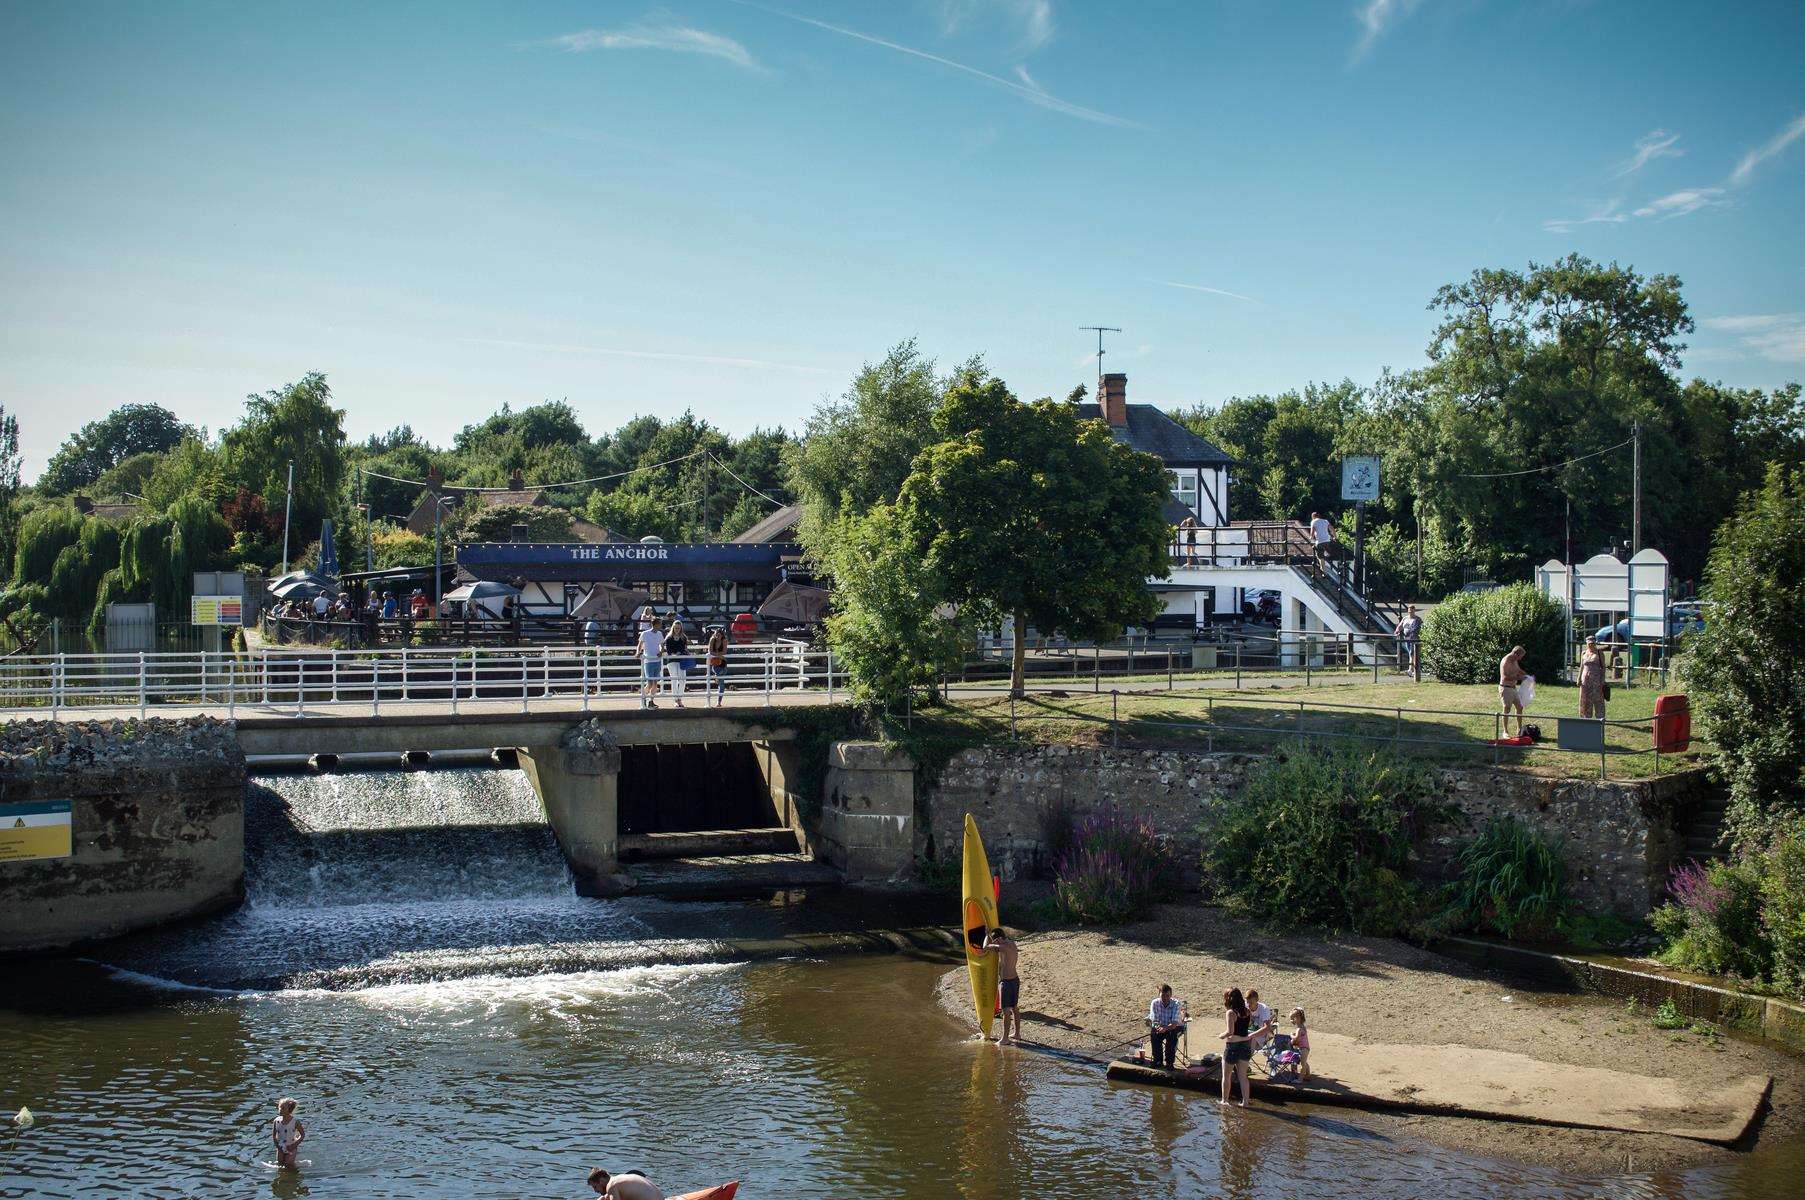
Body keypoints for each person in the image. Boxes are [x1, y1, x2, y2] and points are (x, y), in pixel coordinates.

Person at [982, 928, 1021, 1045]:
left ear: (999, 939)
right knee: (1014, 1007)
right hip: (1015, 980)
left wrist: (986, 935)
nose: (995, 943)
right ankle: (1017, 1034)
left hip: (1007, 982)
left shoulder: (1002, 948)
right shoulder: (1012, 944)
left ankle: (1005, 1039)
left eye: (996, 941)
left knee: (1006, 1011)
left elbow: (985, 947)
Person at [1219, 987, 1254, 1106]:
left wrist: (1221, 1036)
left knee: (1226, 1075)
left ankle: (1225, 1101)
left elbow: (1230, 1031)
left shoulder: (1231, 1012)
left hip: (1232, 1047)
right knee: (1243, 1076)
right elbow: (1246, 1027)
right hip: (1245, 1046)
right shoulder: (1247, 1011)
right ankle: (1245, 1102)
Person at [1148, 984, 1186, 1069]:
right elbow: (1154, 1020)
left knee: (1172, 1036)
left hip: (1174, 1027)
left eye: (1167, 995)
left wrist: (1165, 1028)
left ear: (1171, 995)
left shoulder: (1176, 1004)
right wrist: (1158, 1027)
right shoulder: (1155, 1003)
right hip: (1161, 1026)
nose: (1165, 998)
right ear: (1159, 995)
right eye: (1163, 996)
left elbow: (1174, 1023)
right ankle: (1158, 1060)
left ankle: (1169, 1062)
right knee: (1154, 1034)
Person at [1499, 645, 1528, 736]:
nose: (1520, 659)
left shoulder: (1514, 660)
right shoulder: (1505, 661)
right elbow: (1505, 677)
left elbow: (1518, 670)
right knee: (1506, 709)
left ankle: (1519, 729)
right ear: (1515, 653)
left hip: (1514, 688)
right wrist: (1519, 678)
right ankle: (1505, 731)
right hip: (1505, 688)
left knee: (1520, 707)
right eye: (1520, 656)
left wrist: (1526, 675)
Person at [636, 616, 665, 709]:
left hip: (657, 660)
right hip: (648, 660)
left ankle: (651, 701)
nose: (661, 625)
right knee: (650, 683)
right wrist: (638, 652)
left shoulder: (659, 634)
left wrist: (661, 651)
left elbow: (662, 645)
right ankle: (643, 697)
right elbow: (640, 644)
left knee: (655, 683)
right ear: (655, 624)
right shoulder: (645, 633)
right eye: (659, 624)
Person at [270, 1097, 305, 1170]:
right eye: (280, 1107)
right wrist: (277, 1145)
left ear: (289, 1110)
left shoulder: (295, 1121)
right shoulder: (276, 1121)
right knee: (280, 1165)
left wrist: (294, 1145)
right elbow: (274, 1135)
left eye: (283, 1108)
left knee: (289, 1165)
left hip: (291, 1146)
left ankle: (293, 1174)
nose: (280, 1110)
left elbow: (302, 1135)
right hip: (280, 1147)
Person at [663, 618, 691, 707]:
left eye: (678, 628)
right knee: (674, 679)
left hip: (681, 660)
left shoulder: (683, 638)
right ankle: (675, 699)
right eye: (675, 628)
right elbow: (668, 649)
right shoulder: (669, 638)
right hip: (671, 660)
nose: (677, 630)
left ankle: (680, 698)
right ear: (673, 628)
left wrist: (682, 653)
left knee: (683, 679)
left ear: (681, 628)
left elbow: (684, 648)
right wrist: (674, 654)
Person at [587, 1168, 663, 1200]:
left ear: (601, 1180)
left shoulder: (611, 1185)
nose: (595, 1190)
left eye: (595, 1186)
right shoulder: (619, 1179)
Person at [1579, 636, 1606, 719]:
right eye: (1589, 643)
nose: (1591, 645)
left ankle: (1600, 716)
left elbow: (1603, 667)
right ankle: (1586, 716)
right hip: (1585, 679)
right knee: (1586, 698)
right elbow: (1581, 666)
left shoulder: (1599, 652)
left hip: (1596, 679)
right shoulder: (1584, 653)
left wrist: (1602, 679)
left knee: (1598, 698)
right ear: (1586, 644)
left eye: (1592, 643)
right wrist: (1579, 678)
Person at [1394, 605, 1422, 676]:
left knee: (1411, 653)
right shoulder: (1405, 618)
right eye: (1409, 611)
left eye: (1412, 611)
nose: (1410, 612)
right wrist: (1397, 631)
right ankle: (1415, 669)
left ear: (1414, 611)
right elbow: (1400, 626)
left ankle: (1411, 669)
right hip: (1406, 639)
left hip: (1414, 639)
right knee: (1411, 654)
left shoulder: (1417, 619)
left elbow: (1420, 628)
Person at [704, 625, 729, 707]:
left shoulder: (724, 640)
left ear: (722, 635)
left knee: (721, 684)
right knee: (717, 673)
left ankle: (719, 701)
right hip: (715, 662)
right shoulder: (712, 640)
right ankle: (717, 677)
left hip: (723, 663)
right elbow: (710, 651)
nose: (717, 636)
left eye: (719, 635)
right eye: (716, 634)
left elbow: (725, 651)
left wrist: (718, 655)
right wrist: (719, 655)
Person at [1288, 1007, 1311, 1082]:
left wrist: (1291, 1035)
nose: (1292, 1021)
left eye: (1293, 1018)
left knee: (1303, 1064)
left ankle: (1300, 1079)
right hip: (1305, 1048)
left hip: (1303, 1048)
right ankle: (1307, 1075)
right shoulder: (1302, 1027)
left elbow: (1296, 1038)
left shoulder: (1299, 1029)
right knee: (1304, 1061)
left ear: (1298, 1018)